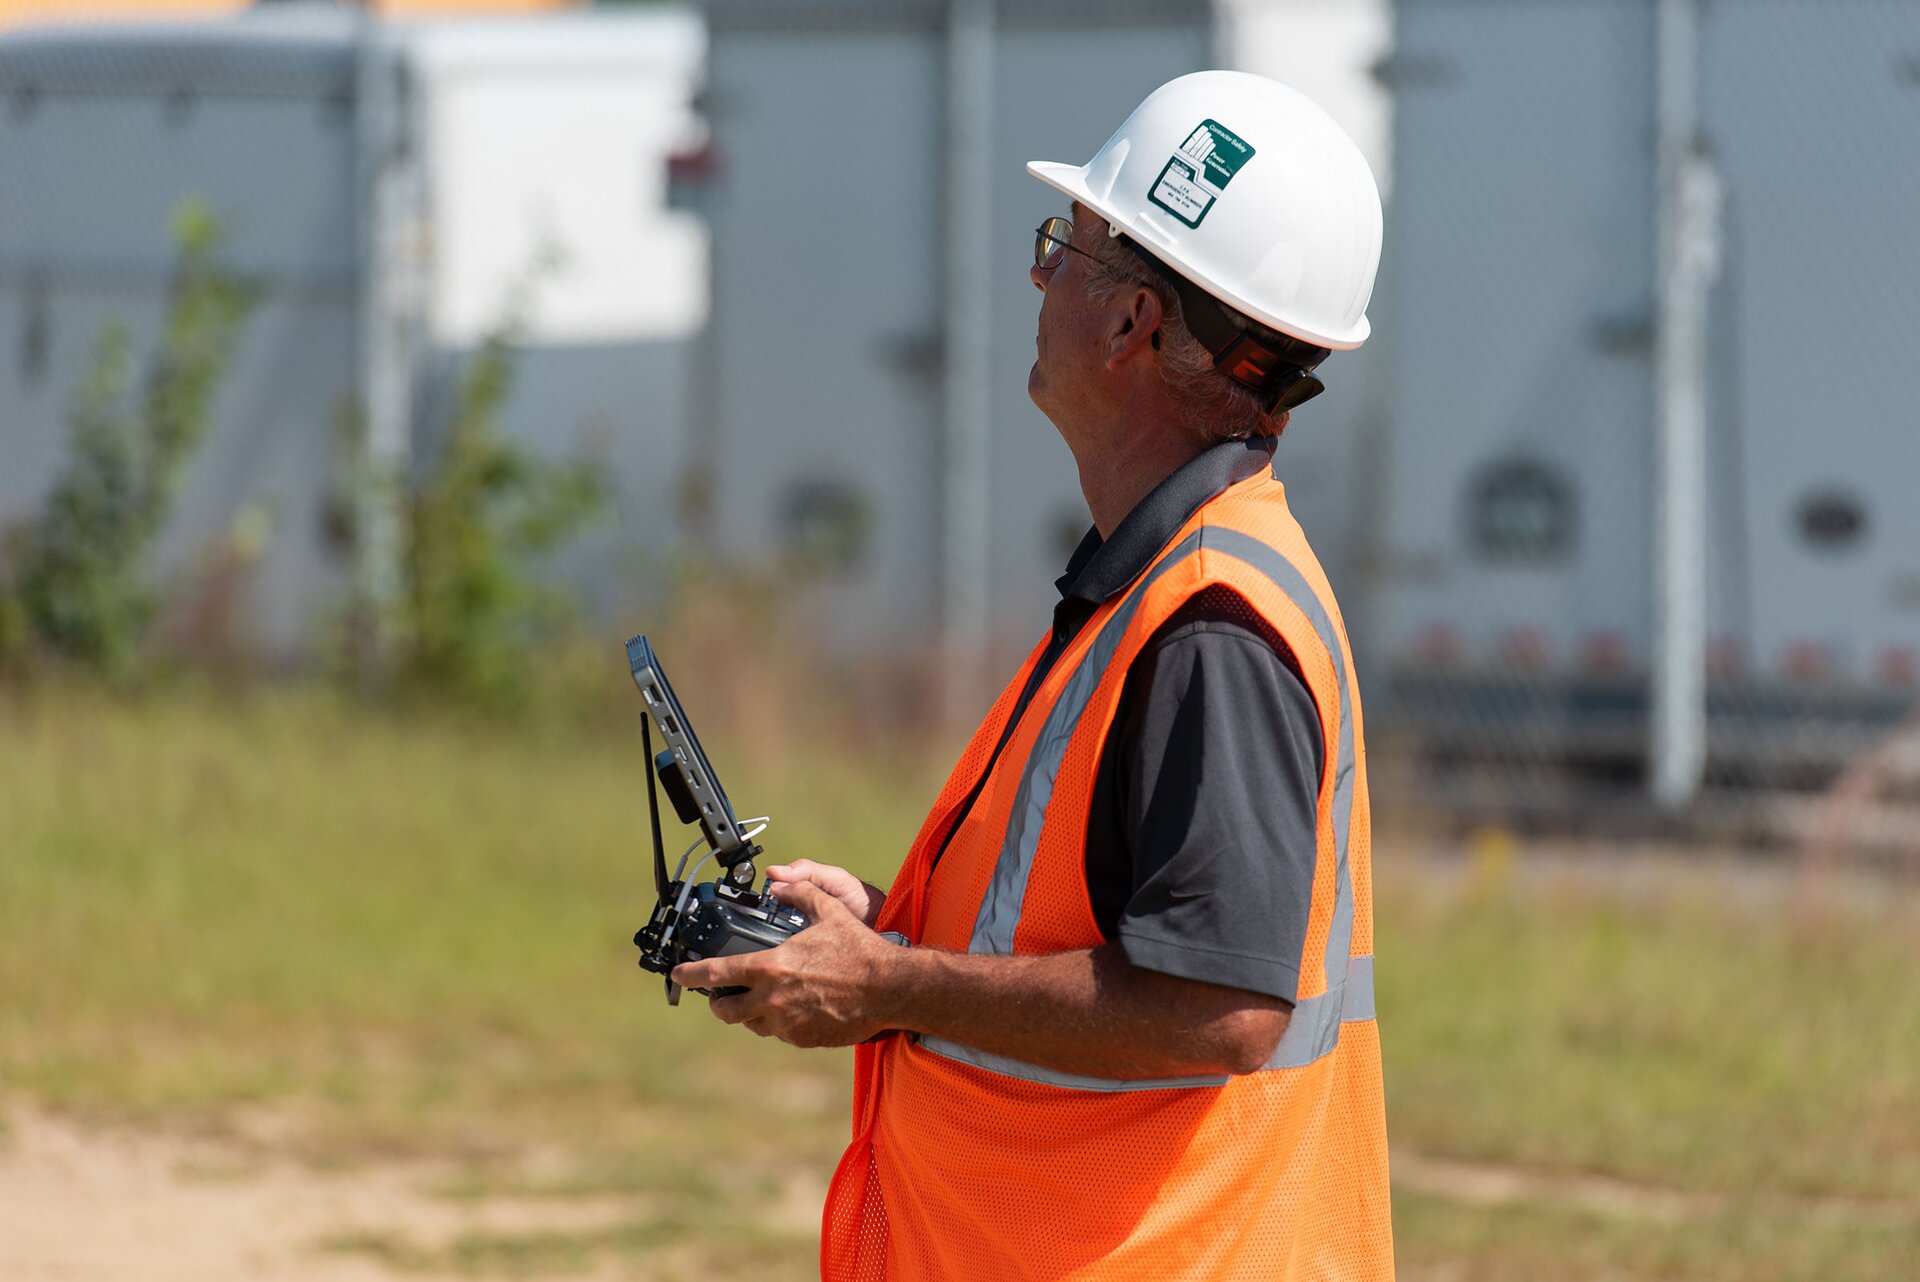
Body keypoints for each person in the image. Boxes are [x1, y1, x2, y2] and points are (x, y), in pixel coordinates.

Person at [671, 70, 1393, 1281]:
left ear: (1133, 326)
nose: (1039, 276)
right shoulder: (1159, 579)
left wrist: (891, 981)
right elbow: (1098, 916)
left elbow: (1221, 1003)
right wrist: (888, 931)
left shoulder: (1211, 621)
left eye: (1069, 248)